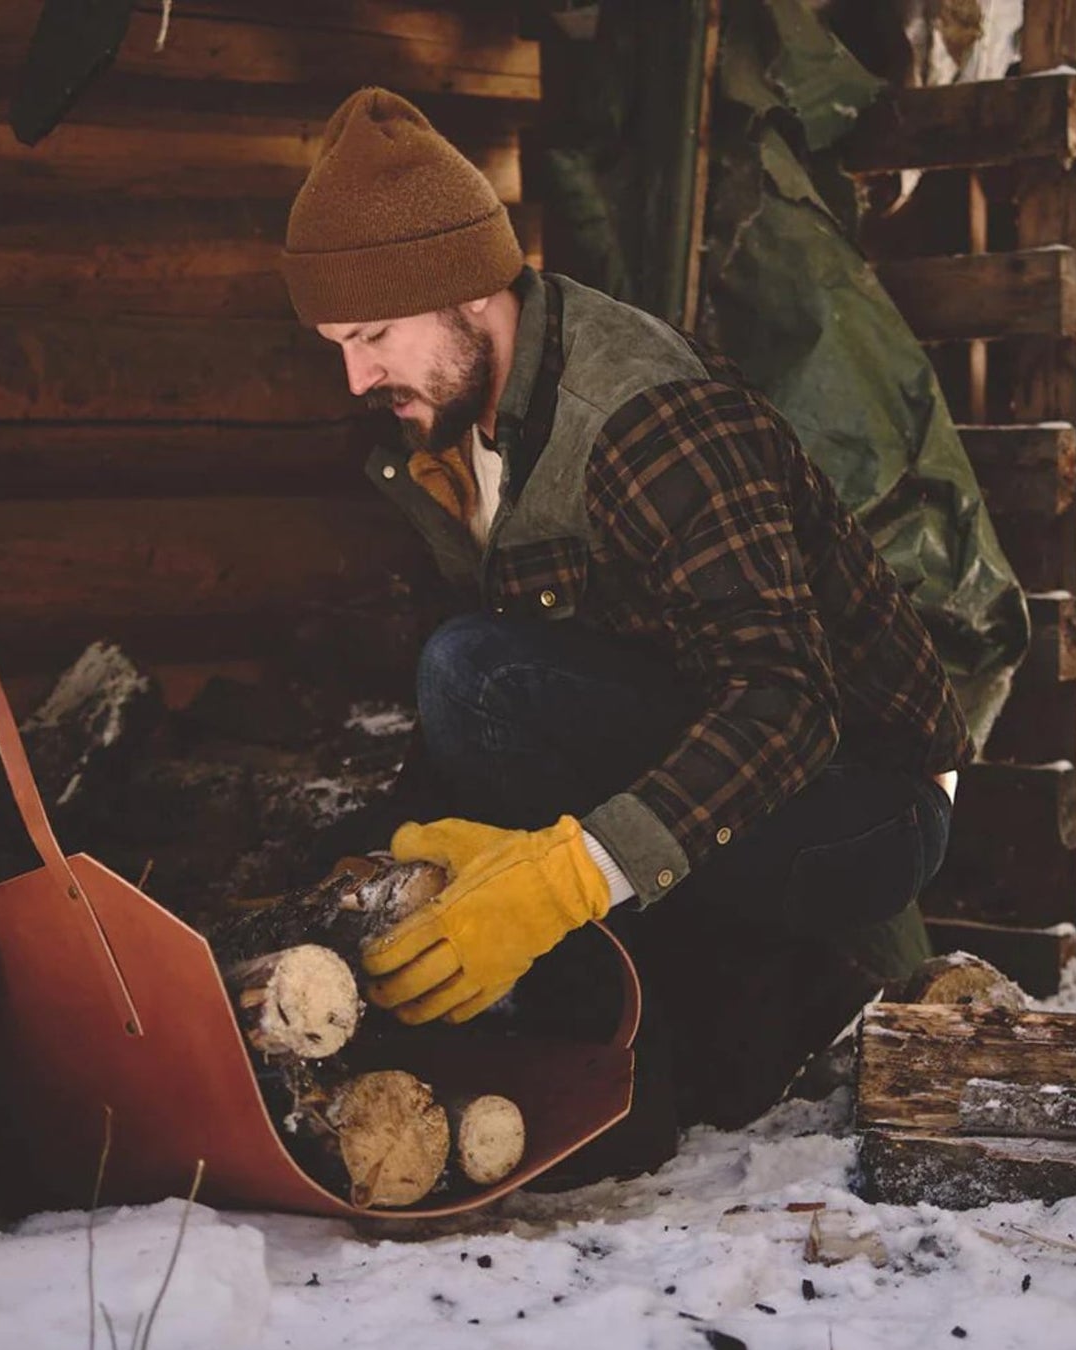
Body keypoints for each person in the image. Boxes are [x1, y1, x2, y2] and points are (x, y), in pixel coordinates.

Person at [278, 87, 973, 1146]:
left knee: (477, 673)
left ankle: (615, 1058)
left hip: (861, 801)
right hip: (706, 768)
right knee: (465, 704)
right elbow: (582, 690)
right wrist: (410, 840)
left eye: (372, 334)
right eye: (338, 341)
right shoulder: (453, 429)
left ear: (470, 289)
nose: (356, 374)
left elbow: (784, 705)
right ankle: (720, 1013)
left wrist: (560, 881)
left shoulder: (645, 416)